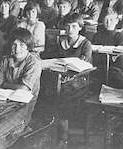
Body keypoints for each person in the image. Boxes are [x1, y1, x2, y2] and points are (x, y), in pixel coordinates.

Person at [0, 28, 42, 149]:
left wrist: (5, 84)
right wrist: (8, 86)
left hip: (22, 110)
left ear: (28, 46)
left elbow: (23, 89)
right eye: (14, 44)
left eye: (22, 45)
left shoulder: (33, 63)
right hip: (2, 107)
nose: (17, 48)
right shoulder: (6, 60)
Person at [41, 14, 92, 146]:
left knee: (63, 94)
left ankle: (63, 135)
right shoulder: (60, 42)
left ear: (80, 28)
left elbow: (84, 66)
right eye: (68, 26)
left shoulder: (85, 43)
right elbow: (51, 57)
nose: (71, 29)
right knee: (45, 90)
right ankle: (48, 128)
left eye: (74, 26)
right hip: (59, 78)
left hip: (80, 80)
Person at [92, 11, 123, 88]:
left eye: (111, 20)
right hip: (99, 66)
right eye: (106, 20)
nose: (108, 22)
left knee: (116, 77)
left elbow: (120, 56)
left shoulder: (120, 36)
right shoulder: (97, 35)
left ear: (116, 21)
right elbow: (94, 55)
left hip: (115, 67)